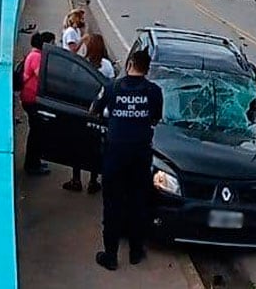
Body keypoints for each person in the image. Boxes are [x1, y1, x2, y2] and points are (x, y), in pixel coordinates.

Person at [91, 50, 163, 271]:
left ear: (130, 63)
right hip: (140, 155)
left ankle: (111, 256)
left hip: (115, 155)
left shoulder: (112, 87)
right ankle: (135, 252)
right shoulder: (154, 91)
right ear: (147, 69)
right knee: (137, 203)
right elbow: (155, 118)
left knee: (112, 204)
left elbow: (93, 110)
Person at [63, 33, 114, 194]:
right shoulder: (106, 65)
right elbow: (111, 87)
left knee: (77, 145)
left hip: (82, 109)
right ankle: (93, 181)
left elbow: (72, 84)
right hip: (99, 112)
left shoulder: (82, 64)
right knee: (96, 147)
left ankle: (76, 179)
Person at [20, 31, 56, 176]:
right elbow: (42, 76)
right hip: (32, 99)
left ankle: (35, 160)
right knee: (36, 132)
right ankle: (32, 164)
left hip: (31, 98)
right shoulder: (36, 57)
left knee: (37, 132)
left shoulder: (34, 55)